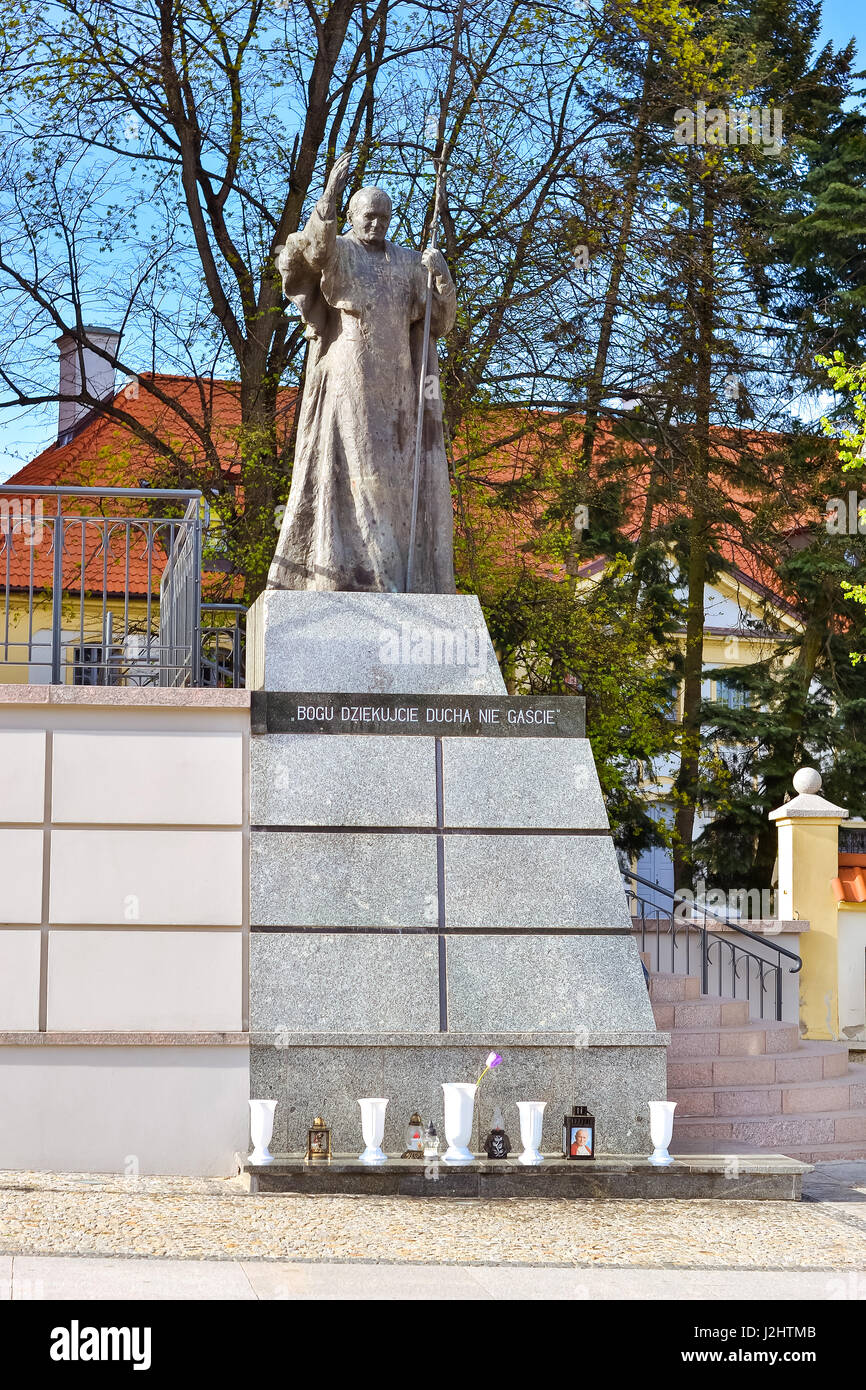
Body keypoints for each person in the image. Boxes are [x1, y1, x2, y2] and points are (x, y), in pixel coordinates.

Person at [268, 151, 458, 593]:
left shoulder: (410, 262)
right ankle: (369, 571)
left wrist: (441, 278)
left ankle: (394, 568)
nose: (376, 225)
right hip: (350, 366)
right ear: (352, 216)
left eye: (384, 218)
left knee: (395, 474)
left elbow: (439, 323)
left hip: (399, 378)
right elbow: (313, 252)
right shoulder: (341, 250)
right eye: (368, 216)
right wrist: (329, 194)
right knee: (359, 465)